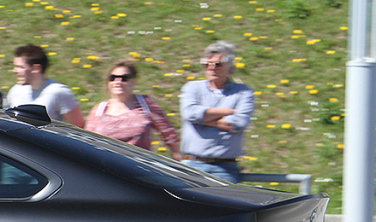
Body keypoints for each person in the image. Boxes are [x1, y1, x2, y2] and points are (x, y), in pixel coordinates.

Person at [179, 40, 254, 184]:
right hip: (192, 165)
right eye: (207, 64)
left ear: (230, 67)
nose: (212, 68)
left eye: (218, 64)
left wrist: (202, 118)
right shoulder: (192, 87)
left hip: (225, 167)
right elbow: (189, 113)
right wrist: (226, 111)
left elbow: (239, 122)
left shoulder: (243, 92)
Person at [85, 60, 181, 158]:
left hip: (139, 167)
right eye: (113, 78)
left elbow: (169, 133)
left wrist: (177, 155)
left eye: (124, 78)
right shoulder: (99, 110)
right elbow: (86, 141)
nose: (118, 82)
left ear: (133, 81)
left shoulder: (146, 104)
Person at [6, 44, 85, 126]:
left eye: (20, 67)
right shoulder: (15, 91)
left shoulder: (58, 92)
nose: (14, 71)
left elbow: (80, 126)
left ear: (36, 68)